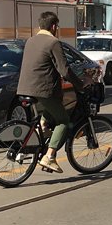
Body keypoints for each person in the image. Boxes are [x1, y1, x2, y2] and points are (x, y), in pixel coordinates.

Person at [17, 11, 88, 173]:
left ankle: (35, 137)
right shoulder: (53, 42)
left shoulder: (30, 41)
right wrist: (80, 84)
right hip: (43, 90)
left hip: (25, 88)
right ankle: (49, 156)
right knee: (63, 120)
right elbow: (65, 70)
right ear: (54, 26)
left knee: (47, 117)